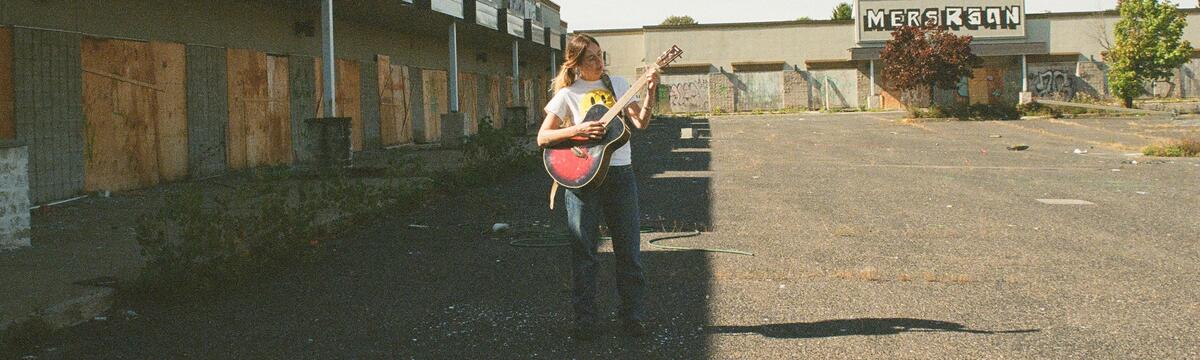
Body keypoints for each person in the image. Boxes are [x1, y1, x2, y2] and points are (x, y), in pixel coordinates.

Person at [537, 33, 659, 341]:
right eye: (590, 57)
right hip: (584, 180)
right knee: (585, 254)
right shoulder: (568, 94)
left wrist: (651, 91)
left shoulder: (618, 85)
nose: (598, 61)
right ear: (576, 63)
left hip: (620, 176)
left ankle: (633, 316)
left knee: (629, 251)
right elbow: (543, 137)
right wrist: (578, 128)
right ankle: (586, 320)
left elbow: (641, 123)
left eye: (600, 54)